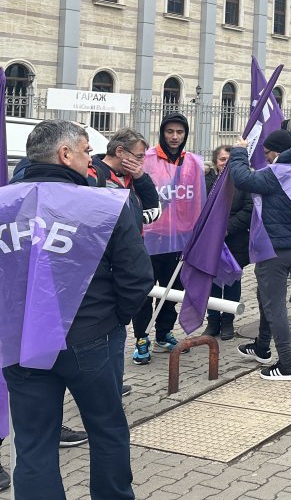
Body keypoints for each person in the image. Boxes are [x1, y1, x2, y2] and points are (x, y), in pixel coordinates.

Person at [3, 120, 152, 499]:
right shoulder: (104, 203)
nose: (92, 160)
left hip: (20, 342)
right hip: (91, 338)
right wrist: (113, 319)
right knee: (107, 430)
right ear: (64, 154)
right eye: (86, 151)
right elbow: (137, 277)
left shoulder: (4, 204)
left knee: (35, 442)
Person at [231, 128, 291, 381]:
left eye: (267, 153)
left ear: (277, 152)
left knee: (275, 305)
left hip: (275, 249)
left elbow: (242, 180)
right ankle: (261, 346)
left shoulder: (279, 173)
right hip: (287, 246)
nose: (266, 158)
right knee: (265, 297)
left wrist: (238, 152)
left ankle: (286, 364)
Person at [133, 112, 206, 364]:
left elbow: (198, 200)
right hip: (151, 237)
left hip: (181, 240)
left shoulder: (193, 163)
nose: (174, 137)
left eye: (180, 132)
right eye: (170, 131)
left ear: (186, 135)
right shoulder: (148, 160)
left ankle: (163, 334)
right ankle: (141, 338)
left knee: (172, 290)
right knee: (145, 291)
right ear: (162, 133)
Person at [202, 144, 252, 341]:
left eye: (231, 160)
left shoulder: (243, 183)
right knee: (211, 281)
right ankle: (213, 321)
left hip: (235, 239)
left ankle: (228, 321)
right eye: (223, 160)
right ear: (216, 163)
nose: (226, 164)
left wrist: (228, 228)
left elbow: (249, 209)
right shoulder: (207, 182)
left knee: (232, 281)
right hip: (210, 240)